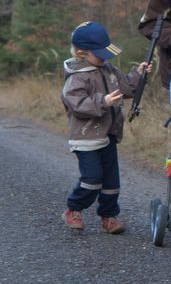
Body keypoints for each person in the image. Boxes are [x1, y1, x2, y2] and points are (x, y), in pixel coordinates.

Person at [61, 21, 152, 235]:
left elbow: (128, 88)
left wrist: (139, 74)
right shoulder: (77, 76)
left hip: (109, 133)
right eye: (100, 54)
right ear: (82, 52)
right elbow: (75, 103)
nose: (106, 57)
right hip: (85, 138)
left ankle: (109, 216)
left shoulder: (108, 68)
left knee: (111, 180)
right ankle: (74, 209)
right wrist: (103, 101)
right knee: (92, 178)